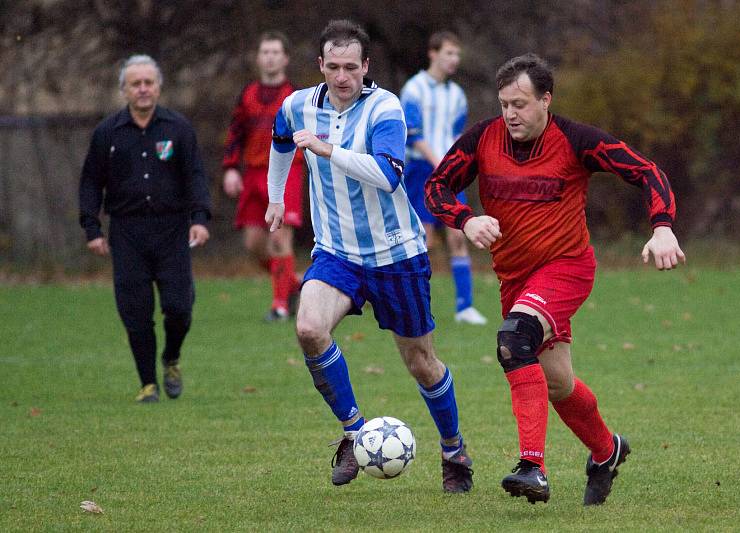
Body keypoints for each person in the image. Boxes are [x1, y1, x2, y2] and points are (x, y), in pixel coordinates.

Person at [425, 53, 686, 505]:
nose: (511, 114)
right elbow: (435, 187)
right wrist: (465, 219)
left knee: (513, 340)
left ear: (546, 99)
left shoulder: (577, 139)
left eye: (521, 104)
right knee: (558, 381)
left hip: (567, 267)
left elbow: (646, 171)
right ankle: (606, 451)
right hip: (516, 279)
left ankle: (532, 467)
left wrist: (661, 226)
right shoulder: (483, 139)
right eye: (505, 103)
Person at [265, 19, 474, 493]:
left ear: (366, 67)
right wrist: (277, 196)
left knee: (421, 361)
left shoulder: (386, 107)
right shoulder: (298, 105)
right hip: (337, 252)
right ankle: (356, 433)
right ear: (320, 65)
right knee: (308, 328)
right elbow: (280, 140)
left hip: (396, 254)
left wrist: (327, 149)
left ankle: (453, 448)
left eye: (350, 67)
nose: (342, 77)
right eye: (333, 67)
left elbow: (388, 175)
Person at [79, 55, 211, 403]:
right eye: (135, 84)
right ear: (124, 89)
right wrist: (92, 228)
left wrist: (199, 218)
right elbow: (91, 182)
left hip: (172, 231)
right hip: (127, 234)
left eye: (148, 82)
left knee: (179, 307)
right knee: (135, 311)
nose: (142, 89)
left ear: (158, 87)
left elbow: (195, 175)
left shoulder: (178, 129)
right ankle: (147, 383)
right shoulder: (107, 133)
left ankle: (171, 357)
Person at [399, 31, 487, 325]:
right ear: (432, 53)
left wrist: (457, 164)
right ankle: (414, 306)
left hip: (448, 174)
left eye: (457, 54)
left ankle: (465, 307)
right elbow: (414, 136)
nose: (454, 60)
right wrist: (439, 163)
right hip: (422, 172)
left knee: (458, 234)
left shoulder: (457, 95)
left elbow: (456, 135)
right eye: (449, 53)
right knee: (423, 239)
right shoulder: (413, 89)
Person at [222, 31, 305, 321]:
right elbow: (235, 134)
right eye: (265, 52)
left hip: (287, 171)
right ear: (258, 58)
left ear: (285, 58)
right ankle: (293, 285)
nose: (269, 57)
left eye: (275, 52)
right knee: (254, 244)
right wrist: (231, 168)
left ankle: (280, 306)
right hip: (255, 172)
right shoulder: (247, 95)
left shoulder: (295, 97)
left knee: (280, 238)